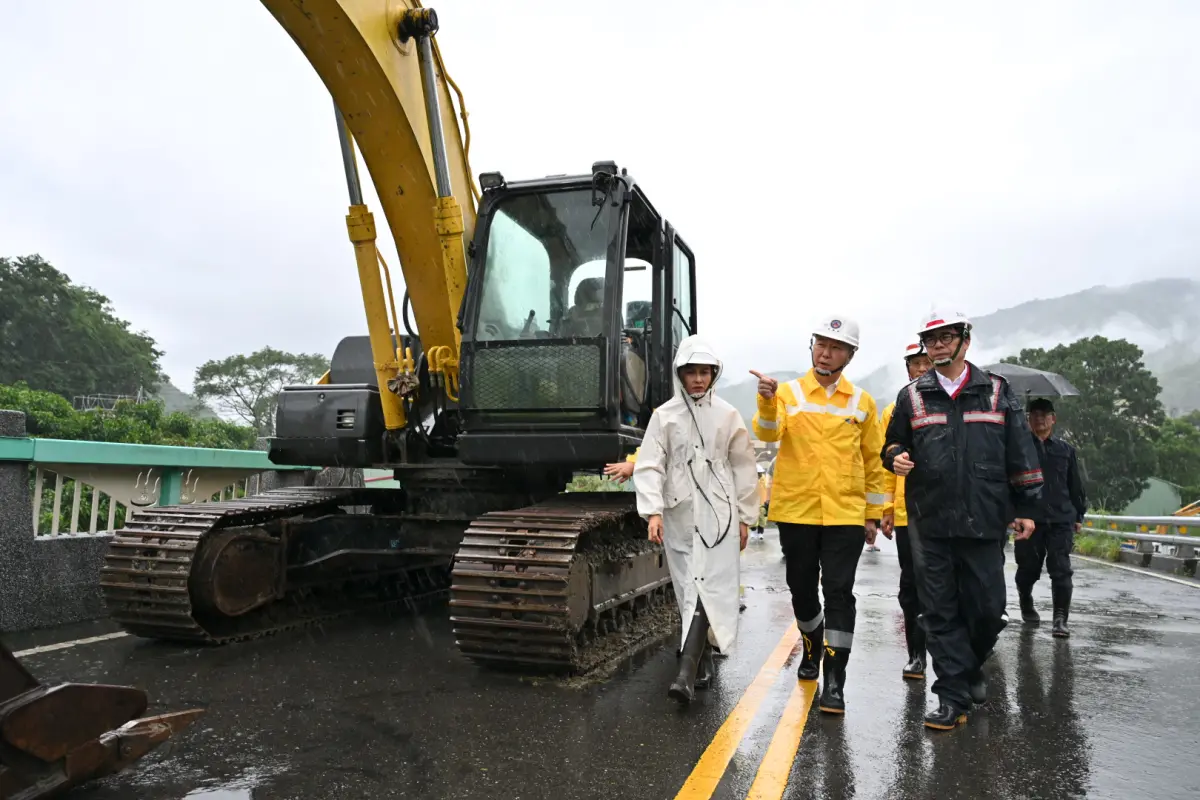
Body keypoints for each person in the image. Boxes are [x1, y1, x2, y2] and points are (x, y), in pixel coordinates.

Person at [882, 309, 1043, 731]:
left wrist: (1026, 507)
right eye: (930, 338)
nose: (936, 344)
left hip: (985, 517)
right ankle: (951, 697)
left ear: (964, 341)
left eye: (945, 337)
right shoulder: (912, 395)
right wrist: (894, 456)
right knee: (938, 610)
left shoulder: (996, 391)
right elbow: (894, 442)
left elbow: (1020, 450)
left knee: (989, 609)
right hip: (929, 519)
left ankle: (968, 666)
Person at [751, 314, 886, 715]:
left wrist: (874, 513)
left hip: (845, 513)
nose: (826, 352)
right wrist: (766, 399)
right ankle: (812, 645)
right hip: (797, 510)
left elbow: (874, 461)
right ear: (812, 346)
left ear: (850, 355)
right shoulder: (788, 394)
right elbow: (767, 433)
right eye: (821, 344)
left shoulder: (862, 403)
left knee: (840, 592)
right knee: (802, 591)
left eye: (837, 347)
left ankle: (835, 681)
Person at [633, 335, 759, 704]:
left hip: (720, 512)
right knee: (689, 586)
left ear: (714, 375)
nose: (699, 379)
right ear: (680, 375)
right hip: (679, 512)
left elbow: (744, 466)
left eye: (705, 372)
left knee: (710, 586)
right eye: (692, 372)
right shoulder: (664, 416)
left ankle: (687, 671)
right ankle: (698, 661)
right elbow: (650, 464)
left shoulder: (728, 415)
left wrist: (746, 516)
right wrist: (653, 510)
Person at [880, 341, 934, 680]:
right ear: (908, 369)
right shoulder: (897, 408)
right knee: (911, 584)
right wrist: (886, 507)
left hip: (947, 509)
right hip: (907, 512)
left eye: (928, 362)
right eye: (916, 364)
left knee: (948, 583)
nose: (923, 368)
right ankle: (916, 653)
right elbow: (886, 461)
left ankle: (953, 652)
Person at [1017, 397, 1087, 637]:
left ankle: (1060, 619)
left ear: (1053, 419)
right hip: (1029, 521)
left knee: (1061, 569)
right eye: (1034, 414)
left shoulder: (1066, 450)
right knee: (1028, 569)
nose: (1040, 419)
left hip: (1060, 519)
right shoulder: (1020, 448)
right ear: (1028, 419)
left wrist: (1079, 514)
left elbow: (1075, 485)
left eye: (1045, 415)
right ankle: (1025, 599)